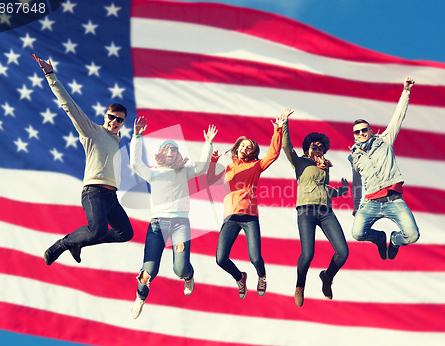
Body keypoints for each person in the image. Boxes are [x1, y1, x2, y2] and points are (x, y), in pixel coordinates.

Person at [30, 53, 134, 265]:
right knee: (97, 229)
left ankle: (79, 243)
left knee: (125, 233)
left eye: (119, 120)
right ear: (106, 116)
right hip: (93, 192)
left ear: (123, 123)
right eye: (111, 117)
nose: (114, 122)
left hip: (111, 197)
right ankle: (63, 244)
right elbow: (69, 105)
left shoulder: (117, 140)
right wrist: (50, 75)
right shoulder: (92, 131)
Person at [129, 118, 217, 319]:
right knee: (148, 271)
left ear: (178, 154)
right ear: (161, 153)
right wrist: (137, 136)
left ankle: (189, 276)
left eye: (174, 149)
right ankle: (140, 297)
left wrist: (208, 144)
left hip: (180, 225)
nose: (171, 151)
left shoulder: (184, 172)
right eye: (167, 148)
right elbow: (135, 163)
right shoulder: (153, 173)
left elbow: (202, 168)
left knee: (180, 268)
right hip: (157, 225)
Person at [206, 111, 284, 299]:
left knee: (255, 257)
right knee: (221, 259)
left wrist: (278, 130)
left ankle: (261, 276)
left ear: (253, 152)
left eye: (249, 147)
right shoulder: (229, 168)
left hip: (249, 216)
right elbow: (210, 181)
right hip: (231, 216)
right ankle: (240, 277)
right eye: (243, 146)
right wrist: (213, 161)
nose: (245, 148)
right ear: (237, 147)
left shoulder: (256, 165)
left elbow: (273, 154)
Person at [281, 108, 350, 306]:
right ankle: (300, 285)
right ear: (307, 148)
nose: (318, 149)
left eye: (321, 147)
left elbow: (325, 190)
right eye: (314, 146)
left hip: (325, 211)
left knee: (343, 252)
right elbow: (286, 147)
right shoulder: (300, 162)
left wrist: (342, 190)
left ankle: (327, 277)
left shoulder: (324, 166)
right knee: (308, 254)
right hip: (305, 211)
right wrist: (284, 124)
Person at [349, 77, 420, 261]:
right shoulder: (354, 157)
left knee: (412, 235)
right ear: (354, 136)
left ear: (371, 130)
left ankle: (394, 241)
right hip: (371, 202)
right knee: (357, 234)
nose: (361, 133)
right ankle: (380, 238)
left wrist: (406, 91)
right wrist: (357, 205)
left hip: (393, 200)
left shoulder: (385, 141)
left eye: (364, 130)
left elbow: (398, 117)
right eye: (357, 131)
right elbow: (357, 182)